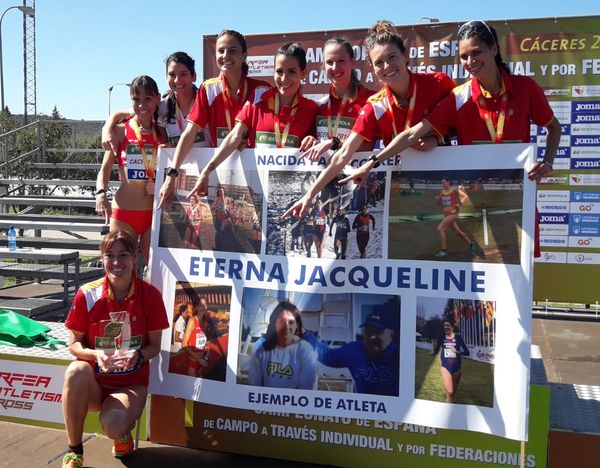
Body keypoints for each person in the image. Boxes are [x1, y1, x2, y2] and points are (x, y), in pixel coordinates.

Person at [338, 20, 561, 257]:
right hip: (471, 201)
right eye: (464, 56)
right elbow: (414, 132)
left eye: (477, 52)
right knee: (479, 273)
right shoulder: (458, 96)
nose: (471, 62)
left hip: (519, 196)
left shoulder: (525, 88)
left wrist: (548, 162)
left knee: (521, 275)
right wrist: (373, 163)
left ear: (494, 49)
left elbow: (554, 127)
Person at [283, 20, 454, 219]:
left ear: (405, 56)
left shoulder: (438, 83)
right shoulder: (376, 104)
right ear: (372, 68)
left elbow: (459, 127)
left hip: (445, 178)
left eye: (392, 57)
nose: (387, 66)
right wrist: (310, 194)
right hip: (399, 189)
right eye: (379, 62)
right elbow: (343, 153)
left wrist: (439, 139)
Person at [61, 230, 168, 467]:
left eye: (123, 255)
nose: (117, 262)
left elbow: (155, 347)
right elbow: (74, 345)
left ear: (134, 258)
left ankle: (123, 435)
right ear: (102, 259)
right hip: (95, 384)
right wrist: (95, 354)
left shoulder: (150, 295)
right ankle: (74, 451)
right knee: (74, 371)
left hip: (131, 384)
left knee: (114, 424)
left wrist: (138, 355)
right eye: (110, 255)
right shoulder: (87, 294)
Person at [187, 42, 319, 198]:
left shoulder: (312, 109)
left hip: (290, 194)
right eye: (279, 71)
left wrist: (315, 141)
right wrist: (207, 170)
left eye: (291, 72)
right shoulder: (258, 101)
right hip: (256, 190)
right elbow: (234, 137)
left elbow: (319, 149)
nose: (284, 78)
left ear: (303, 73)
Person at [158, 30, 271, 207]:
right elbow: (190, 132)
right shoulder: (208, 88)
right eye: (221, 51)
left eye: (232, 51)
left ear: (244, 55)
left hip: (252, 171)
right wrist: (172, 175)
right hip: (217, 172)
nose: (226, 56)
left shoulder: (262, 90)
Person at [96, 76, 167, 263]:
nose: (142, 105)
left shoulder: (163, 133)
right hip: (124, 213)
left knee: (156, 271)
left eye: (148, 99)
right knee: (124, 271)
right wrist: (101, 194)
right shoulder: (119, 131)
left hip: (153, 215)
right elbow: (104, 170)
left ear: (158, 99)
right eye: (136, 100)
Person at [102, 52, 202, 153]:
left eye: (183, 74)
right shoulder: (164, 106)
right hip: (179, 167)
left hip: (207, 167)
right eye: (172, 75)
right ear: (166, 78)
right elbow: (120, 114)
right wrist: (106, 130)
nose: (177, 80)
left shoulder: (205, 102)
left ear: (194, 76)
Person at [304, 300, 400, 396]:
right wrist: (304, 333)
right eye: (368, 331)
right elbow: (327, 355)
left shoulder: (402, 357)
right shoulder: (356, 351)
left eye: (378, 331)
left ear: (392, 334)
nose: (371, 337)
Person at [299, 37, 374, 152]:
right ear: (323, 66)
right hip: (325, 169)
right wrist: (311, 139)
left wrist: (337, 144)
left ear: (352, 63)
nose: (335, 67)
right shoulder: (320, 106)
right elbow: (315, 141)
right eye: (329, 62)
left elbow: (374, 145)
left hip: (360, 169)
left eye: (341, 61)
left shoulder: (371, 101)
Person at [248, 300, 317, 389]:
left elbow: (306, 387)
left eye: (291, 322)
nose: (286, 326)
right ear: (274, 323)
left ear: (297, 325)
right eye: (282, 321)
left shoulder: (306, 350)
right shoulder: (260, 347)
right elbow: (255, 382)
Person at [430, 318, 470, 403]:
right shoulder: (442, 338)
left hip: (457, 369)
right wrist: (433, 352)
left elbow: (467, 353)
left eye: (448, 325)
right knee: (450, 392)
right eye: (444, 326)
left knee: (451, 396)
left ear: (452, 327)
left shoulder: (458, 338)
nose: (446, 327)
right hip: (446, 367)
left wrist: (458, 352)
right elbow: (436, 351)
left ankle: (447, 405)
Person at [434, 179, 474, 257]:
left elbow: (465, 196)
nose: (442, 184)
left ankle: (444, 250)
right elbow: (438, 203)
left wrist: (459, 204)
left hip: (452, 214)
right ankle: (471, 243)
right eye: (442, 183)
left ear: (448, 182)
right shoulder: (442, 192)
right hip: (446, 214)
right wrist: (437, 199)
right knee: (457, 232)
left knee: (440, 229)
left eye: (444, 182)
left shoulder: (454, 190)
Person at [181, 296, 211, 377]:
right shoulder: (192, 321)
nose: (203, 307)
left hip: (202, 362)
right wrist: (198, 359)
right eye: (201, 305)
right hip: (193, 362)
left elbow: (200, 341)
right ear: (197, 307)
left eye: (205, 305)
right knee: (190, 388)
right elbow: (184, 345)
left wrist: (205, 347)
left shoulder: (205, 323)